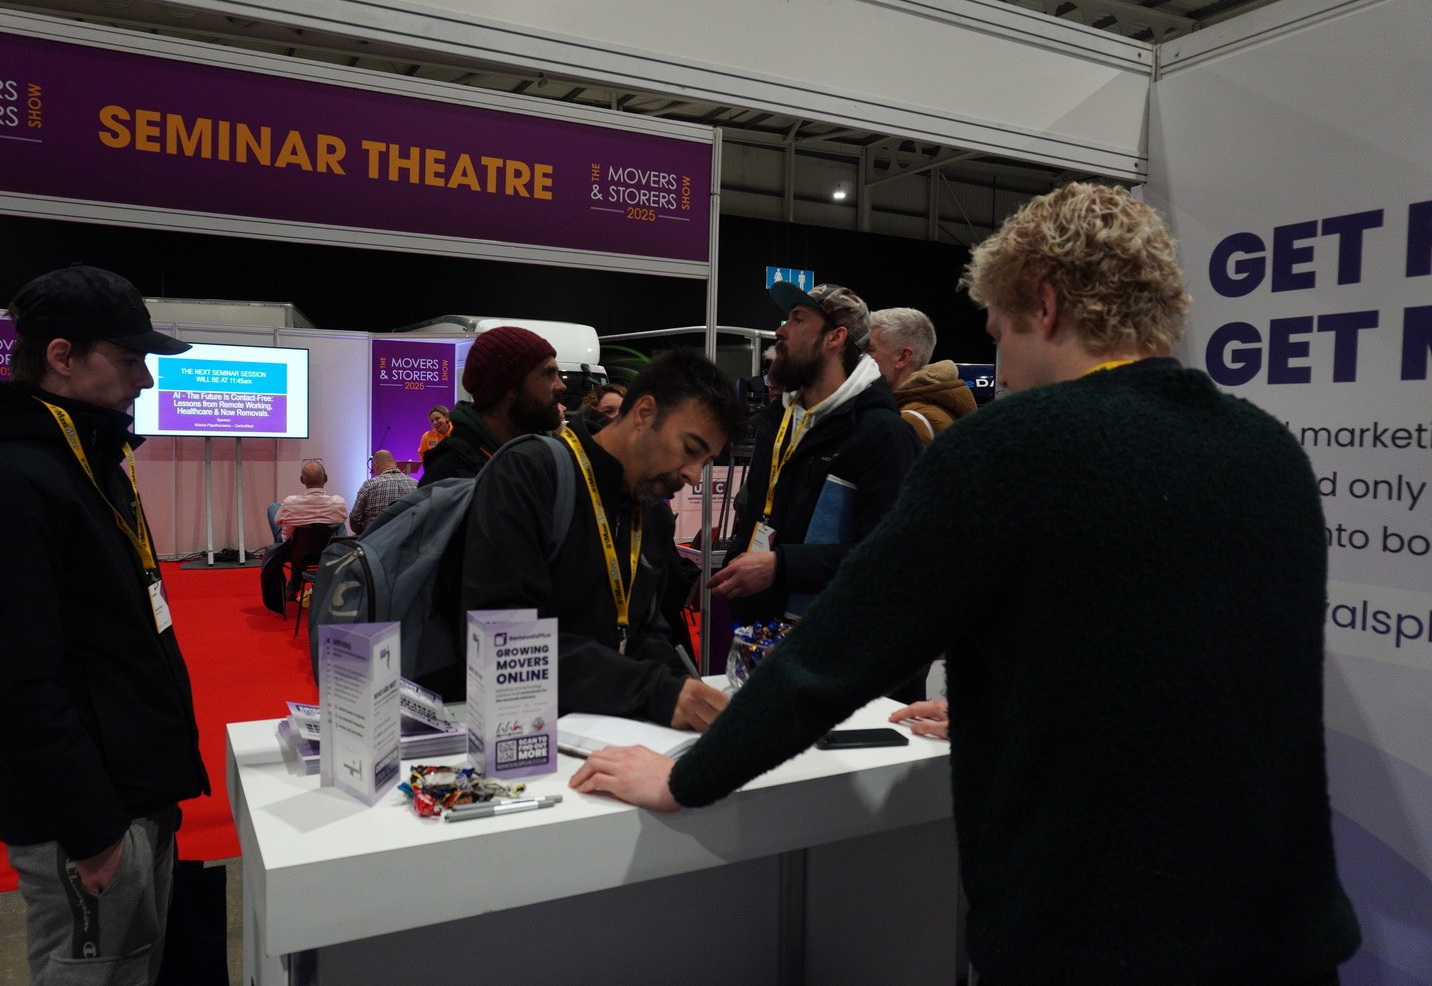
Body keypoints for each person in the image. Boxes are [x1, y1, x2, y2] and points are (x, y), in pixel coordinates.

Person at [571, 183, 1361, 985]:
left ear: (1045, 306)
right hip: (1286, 933)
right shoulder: (1269, 453)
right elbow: (1193, 663)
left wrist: (684, 775)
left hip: (1099, 943)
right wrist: (1005, 699)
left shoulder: (1008, 451)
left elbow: (834, 656)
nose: (1000, 365)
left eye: (998, 328)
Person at [0, 263, 211, 985]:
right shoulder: (2, 488)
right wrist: (90, 829)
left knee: (136, 963)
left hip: (134, 787)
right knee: (98, 970)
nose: (145, 379)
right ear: (61, 357)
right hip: (91, 815)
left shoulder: (85, 461)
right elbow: (15, 681)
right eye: (129, 358)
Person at [460, 349, 747, 730]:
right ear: (644, 413)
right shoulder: (530, 474)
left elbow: (643, 631)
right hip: (516, 736)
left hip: (610, 733)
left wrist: (688, 690)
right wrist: (656, 692)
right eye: (690, 450)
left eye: (707, 461)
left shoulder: (654, 515)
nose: (695, 475)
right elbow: (505, 640)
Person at [708, 282, 918, 623]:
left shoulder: (883, 435)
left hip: (834, 651)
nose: (781, 330)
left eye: (797, 319)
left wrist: (781, 565)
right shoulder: (778, 422)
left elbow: (890, 557)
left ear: (835, 338)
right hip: (764, 635)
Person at [420, 326, 565, 484]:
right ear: (510, 386)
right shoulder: (448, 479)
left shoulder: (553, 458)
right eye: (548, 374)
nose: (561, 386)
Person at [867, 307, 977, 447]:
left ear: (902, 357)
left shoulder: (907, 422)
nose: (861, 357)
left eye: (870, 350)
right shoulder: (938, 407)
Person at [274, 459, 347, 540]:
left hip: (293, 550)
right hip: (328, 549)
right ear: (326, 478)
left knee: (273, 508)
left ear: (302, 480)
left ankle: (278, 550)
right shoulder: (339, 503)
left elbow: (277, 521)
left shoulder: (289, 503)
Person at [349, 448, 416, 533]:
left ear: (375, 466)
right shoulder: (416, 484)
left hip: (374, 542)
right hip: (407, 541)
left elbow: (355, 520)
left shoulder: (369, 485)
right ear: (395, 464)